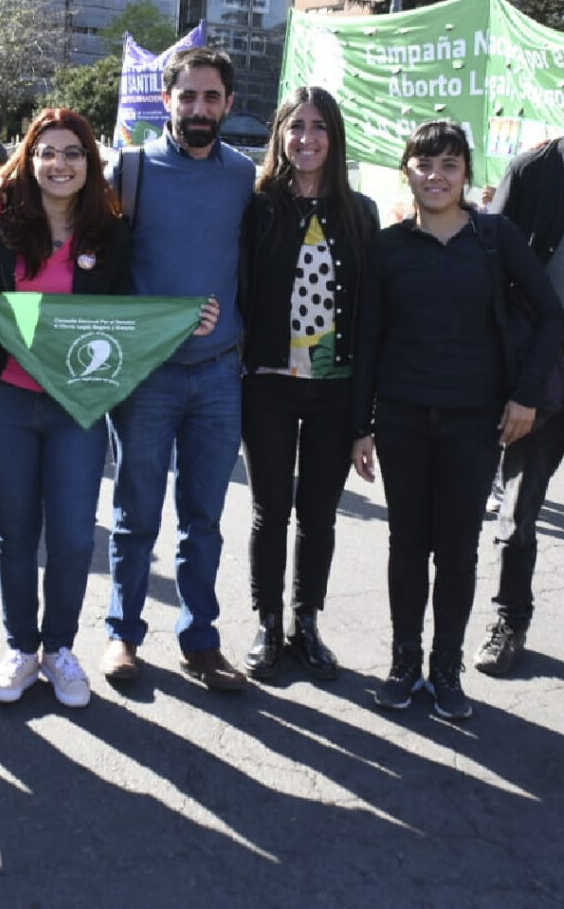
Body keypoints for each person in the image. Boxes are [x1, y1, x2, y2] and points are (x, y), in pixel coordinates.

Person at [351, 120, 563, 720]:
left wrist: (525, 397)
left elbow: (551, 315)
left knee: (458, 551)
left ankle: (446, 669)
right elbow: (368, 340)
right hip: (401, 419)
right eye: (423, 163)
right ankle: (404, 663)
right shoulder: (388, 247)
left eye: (448, 164)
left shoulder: (496, 238)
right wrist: (360, 425)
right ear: (407, 171)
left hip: (476, 422)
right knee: (406, 545)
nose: (435, 176)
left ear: (467, 173)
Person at [0, 108, 130, 708]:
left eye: (73, 153)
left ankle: (59, 649)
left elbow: (131, 314)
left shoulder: (111, 233)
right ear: (30, 159)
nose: (60, 164)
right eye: (48, 152)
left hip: (77, 407)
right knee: (15, 532)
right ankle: (20, 649)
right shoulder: (0, 219)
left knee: (75, 537)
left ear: (90, 163)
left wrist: (191, 318)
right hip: (4, 399)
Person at [101, 45, 255, 691]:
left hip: (220, 375)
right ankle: (123, 635)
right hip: (146, 377)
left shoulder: (245, 176)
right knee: (136, 516)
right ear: (166, 101)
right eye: (186, 96)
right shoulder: (128, 172)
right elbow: (98, 265)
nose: (198, 108)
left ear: (228, 104)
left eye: (210, 97)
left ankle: (200, 639)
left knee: (205, 520)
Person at [239, 86, 379, 682]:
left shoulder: (360, 212)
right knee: (271, 511)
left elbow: (372, 314)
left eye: (318, 126)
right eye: (296, 126)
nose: (307, 138)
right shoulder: (259, 205)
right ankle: (267, 620)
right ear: (280, 135)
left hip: (335, 387)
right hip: (268, 382)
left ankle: (306, 620)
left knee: (318, 514)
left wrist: (364, 418)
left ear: (335, 136)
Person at [473, 137, 564, 676]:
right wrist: (515, 384)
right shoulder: (533, 171)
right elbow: (491, 271)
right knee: (519, 509)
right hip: (541, 375)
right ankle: (510, 620)